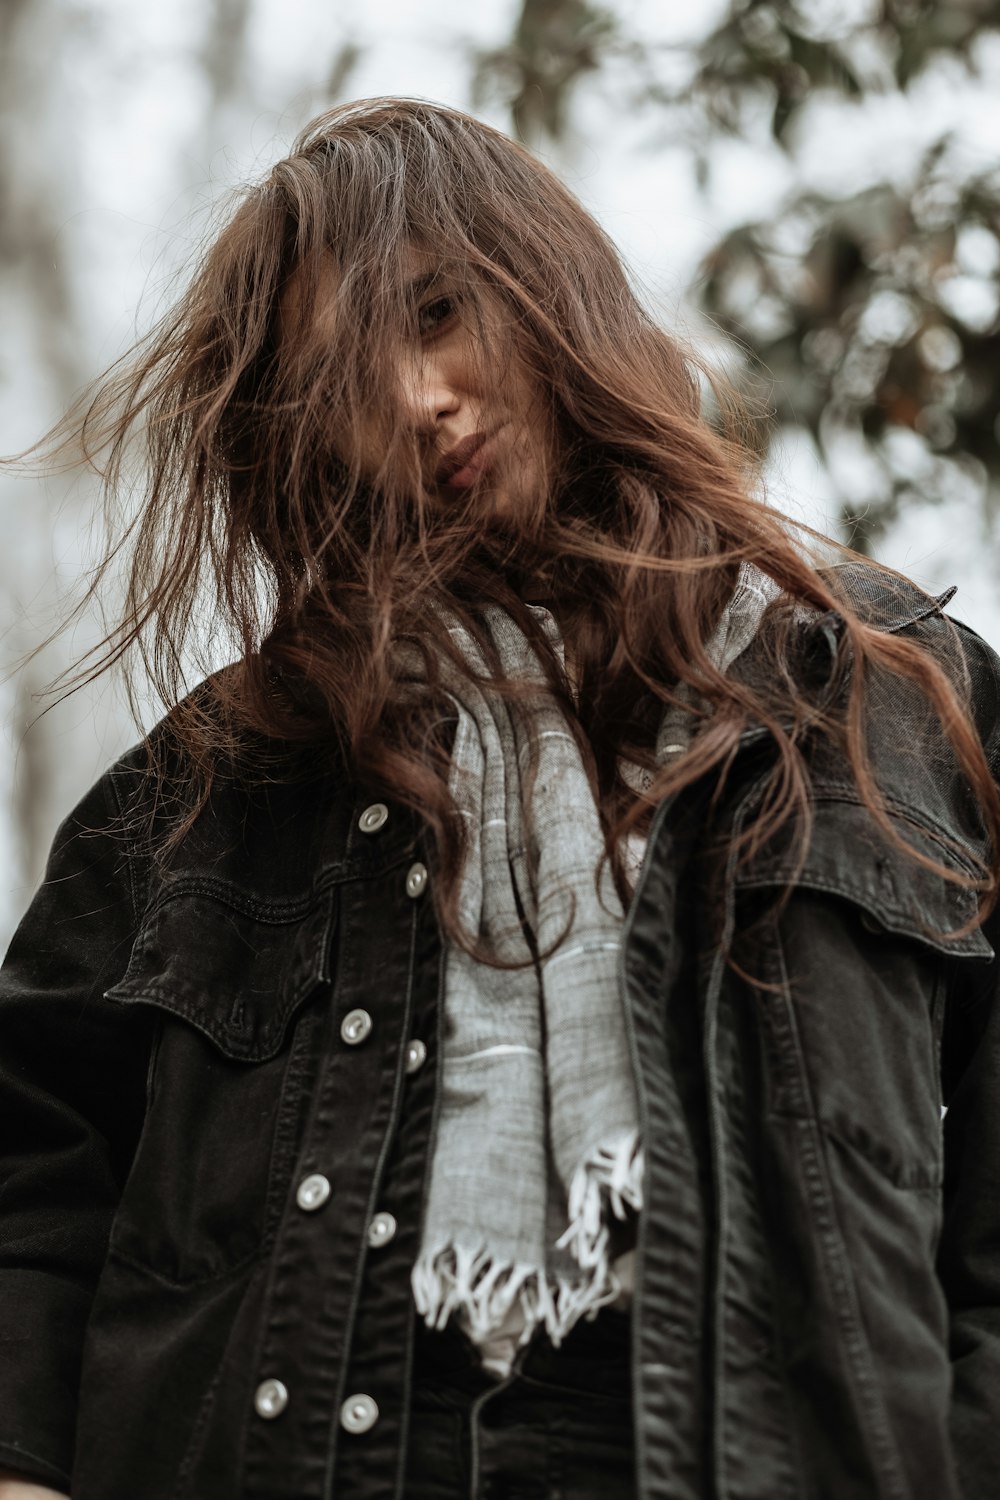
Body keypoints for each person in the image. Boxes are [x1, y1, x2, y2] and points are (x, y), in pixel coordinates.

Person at [1, 95, 999, 1500]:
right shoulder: (211, 785)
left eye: (437, 312)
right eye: (346, 385)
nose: (419, 402)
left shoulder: (886, 691)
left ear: (548, 290)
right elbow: (30, 1175)